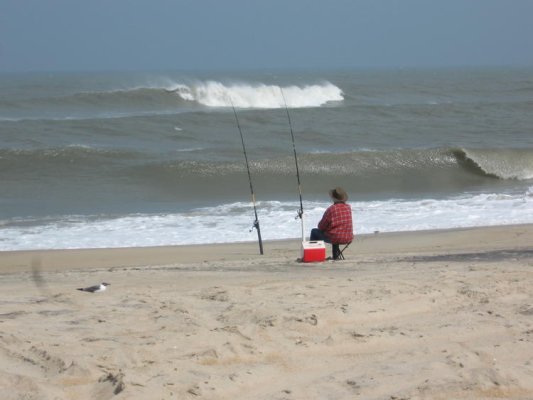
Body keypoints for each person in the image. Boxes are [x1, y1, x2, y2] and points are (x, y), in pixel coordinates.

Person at [310, 187, 354, 259]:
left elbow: (321, 226)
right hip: (348, 237)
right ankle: (335, 256)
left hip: (335, 237)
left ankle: (314, 256)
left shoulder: (331, 209)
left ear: (333, 198)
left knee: (314, 231)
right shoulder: (348, 207)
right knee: (336, 231)